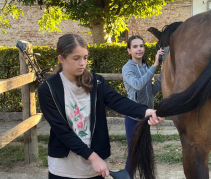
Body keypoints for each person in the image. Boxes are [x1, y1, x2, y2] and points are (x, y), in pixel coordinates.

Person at [38, 34, 163, 179]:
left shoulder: (96, 82)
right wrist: (92, 157)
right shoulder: (48, 89)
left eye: (85, 57)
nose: (82, 63)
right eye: (76, 58)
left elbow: (118, 101)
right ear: (61, 59)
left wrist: (146, 111)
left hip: (94, 168)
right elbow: (62, 130)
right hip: (64, 168)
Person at [122, 35, 164, 173]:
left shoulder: (146, 67)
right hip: (133, 117)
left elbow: (152, 91)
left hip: (146, 117)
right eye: (135, 46)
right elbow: (138, 85)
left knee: (142, 153)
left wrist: (163, 73)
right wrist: (155, 66)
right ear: (129, 50)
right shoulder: (127, 68)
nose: (139, 49)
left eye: (141, 46)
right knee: (134, 154)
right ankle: (127, 176)